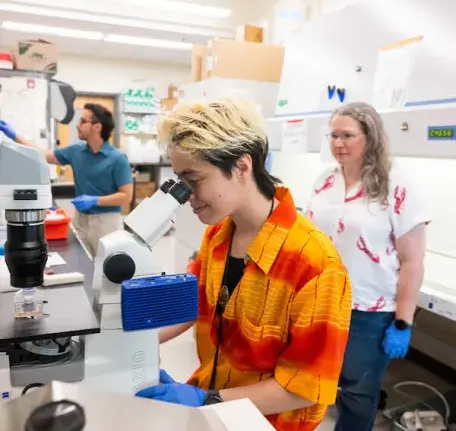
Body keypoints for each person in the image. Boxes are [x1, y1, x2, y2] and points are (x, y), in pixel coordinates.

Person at [135, 98, 352, 431]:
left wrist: (207, 400)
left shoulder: (314, 264)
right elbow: (191, 303)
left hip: (268, 423)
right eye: (180, 182)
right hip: (214, 403)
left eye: (194, 180)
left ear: (241, 167)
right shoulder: (218, 235)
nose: (187, 196)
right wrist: (131, 343)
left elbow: (303, 389)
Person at [306, 102, 429, 431]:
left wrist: (402, 322)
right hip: (321, 303)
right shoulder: (324, 181)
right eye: (333, 135)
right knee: (318, 383)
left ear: (370, 138)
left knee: (359, 393)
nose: (338, 143)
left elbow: (412, 261)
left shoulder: (396, 187)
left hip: (368, 310)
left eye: (347, 135)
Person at [0, 103, 133, 256]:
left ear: (97, 127)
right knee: (83, 266)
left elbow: (126, 196)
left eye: (83, 121)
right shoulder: (76, 151)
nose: (78, 125)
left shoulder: (117, 158)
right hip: (80, 221)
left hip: (107, 223)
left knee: (109, 271)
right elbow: (43, 154)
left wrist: (95, 200)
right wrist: (14, 136)